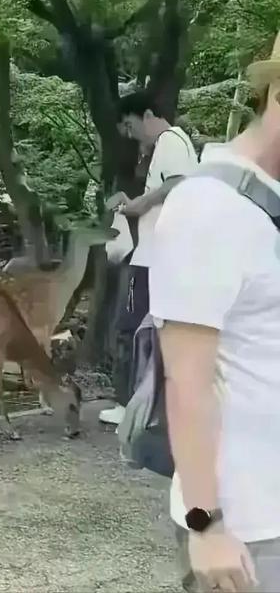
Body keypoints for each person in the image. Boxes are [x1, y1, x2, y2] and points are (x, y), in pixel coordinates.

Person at [149, 35, 280, 592]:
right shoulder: (209, 207)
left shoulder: (268, 202)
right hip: (249, 531)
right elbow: (187, 381)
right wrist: (207, 525)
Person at [99, 93, 198, 426]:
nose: (130, 134)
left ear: (147, 115)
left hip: (152, 257)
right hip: (162, 255)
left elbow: (177, 181)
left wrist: (139, 205)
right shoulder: (173, 144)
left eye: (130, 125)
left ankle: (127, 405)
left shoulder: (170, 140)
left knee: (128, 328)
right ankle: (148, 406)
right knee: (148, 331)